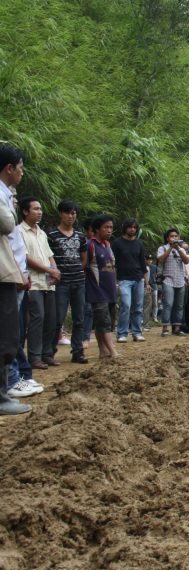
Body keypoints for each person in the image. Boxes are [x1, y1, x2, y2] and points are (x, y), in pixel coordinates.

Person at [0, 146, 32, 414]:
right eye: (20, 167)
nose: (22, 172)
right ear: (9, 168)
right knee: (6, 335)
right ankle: (2, 395)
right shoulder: (1, 193)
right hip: (4, 273)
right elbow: (7, 224)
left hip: (10, 271)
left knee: (9, 333)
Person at [19, 197, 60, 368]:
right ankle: (34, 356)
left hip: (48, 283)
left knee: (51, 319)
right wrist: (50, 270)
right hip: (33, 282)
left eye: (40, 209)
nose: (40, 212)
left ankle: (47, 353)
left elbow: (49, 255)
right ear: (25, 211)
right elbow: (25, 257)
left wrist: (55, 270)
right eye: (35, 209)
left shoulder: (42, 233)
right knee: (38, 318)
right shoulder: (19, 231)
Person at [47, 200, 89, 363]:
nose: (71, 216)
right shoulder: (51, 235)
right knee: (57, 319)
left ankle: (77, 351)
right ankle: (49, 353)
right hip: (61, 283)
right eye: (67, 213)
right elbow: (48, 258)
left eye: (73, 213)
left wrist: (76, 270)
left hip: (78, 281)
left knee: (79, 318)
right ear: (60, 214)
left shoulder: (80, 236)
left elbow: (84, 259)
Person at [85, 215, 118, 359]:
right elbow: (85, 266)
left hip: (110, 290)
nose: (109, 230)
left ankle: (103, 351)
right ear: (97, 229)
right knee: (104, 321)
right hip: (97, 290)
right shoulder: (90, 245)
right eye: (106, 227)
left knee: (103, 322)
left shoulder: (108, 246)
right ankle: (112, 350)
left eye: (111, 227)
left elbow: (113, 267)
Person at [111, 218, 148, 343]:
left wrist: (146, 282)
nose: (132, 229)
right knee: (125, 305)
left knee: (138, 307)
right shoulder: (117, 243)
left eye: (134, 227)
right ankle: (122, 333)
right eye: (130, 227)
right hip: (123, 279)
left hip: (138, 278)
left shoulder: (139, 244)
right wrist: (114, 280)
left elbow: (143, 264)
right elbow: (112, 263)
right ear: (125, 228)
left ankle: (137, 332)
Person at [156, 228, 189, 336]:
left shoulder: (182, 249)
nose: (174, 238)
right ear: (167, 238)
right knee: (168, 304)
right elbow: (161, 260)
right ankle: (165, 328)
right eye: (172, 236)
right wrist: (171, 248)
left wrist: (178, 249)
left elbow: (186, 261)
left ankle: (177, 328)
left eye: (176, 236)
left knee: (179, 305)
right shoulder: (162, 248)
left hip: (180, 280)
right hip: (168, 280)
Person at [143, 254, 159, 328]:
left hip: (154, 286)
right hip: (145, 286)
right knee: (146, 303)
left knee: (155, 303)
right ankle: (145, 319)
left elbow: (158, 274)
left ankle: (154, 317)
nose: (150, 261)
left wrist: (157, 279)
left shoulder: (154, 267)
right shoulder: (143, 267)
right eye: (148, 259)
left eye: (151, 260)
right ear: (145, 260)